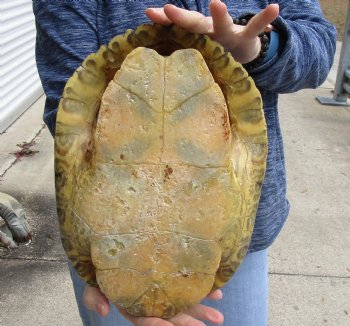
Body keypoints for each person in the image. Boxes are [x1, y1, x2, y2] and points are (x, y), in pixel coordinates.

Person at [33, 0, 336, 325]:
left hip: (218, 246)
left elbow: (319, 48)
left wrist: (258, 44)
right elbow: (66, 108)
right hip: (113, 252)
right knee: (121, 287)